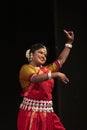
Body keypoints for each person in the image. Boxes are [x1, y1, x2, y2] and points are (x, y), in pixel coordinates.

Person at [17, 29, 74, 130]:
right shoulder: (25, 69)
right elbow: (35, 79)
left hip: (47, 114)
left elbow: (60, 60)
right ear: (31, 54)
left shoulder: (46, 70)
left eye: (45, 55)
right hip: (31, 115)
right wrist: (56, 74)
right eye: (40, 53)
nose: (43, 56)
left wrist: (69, 43)